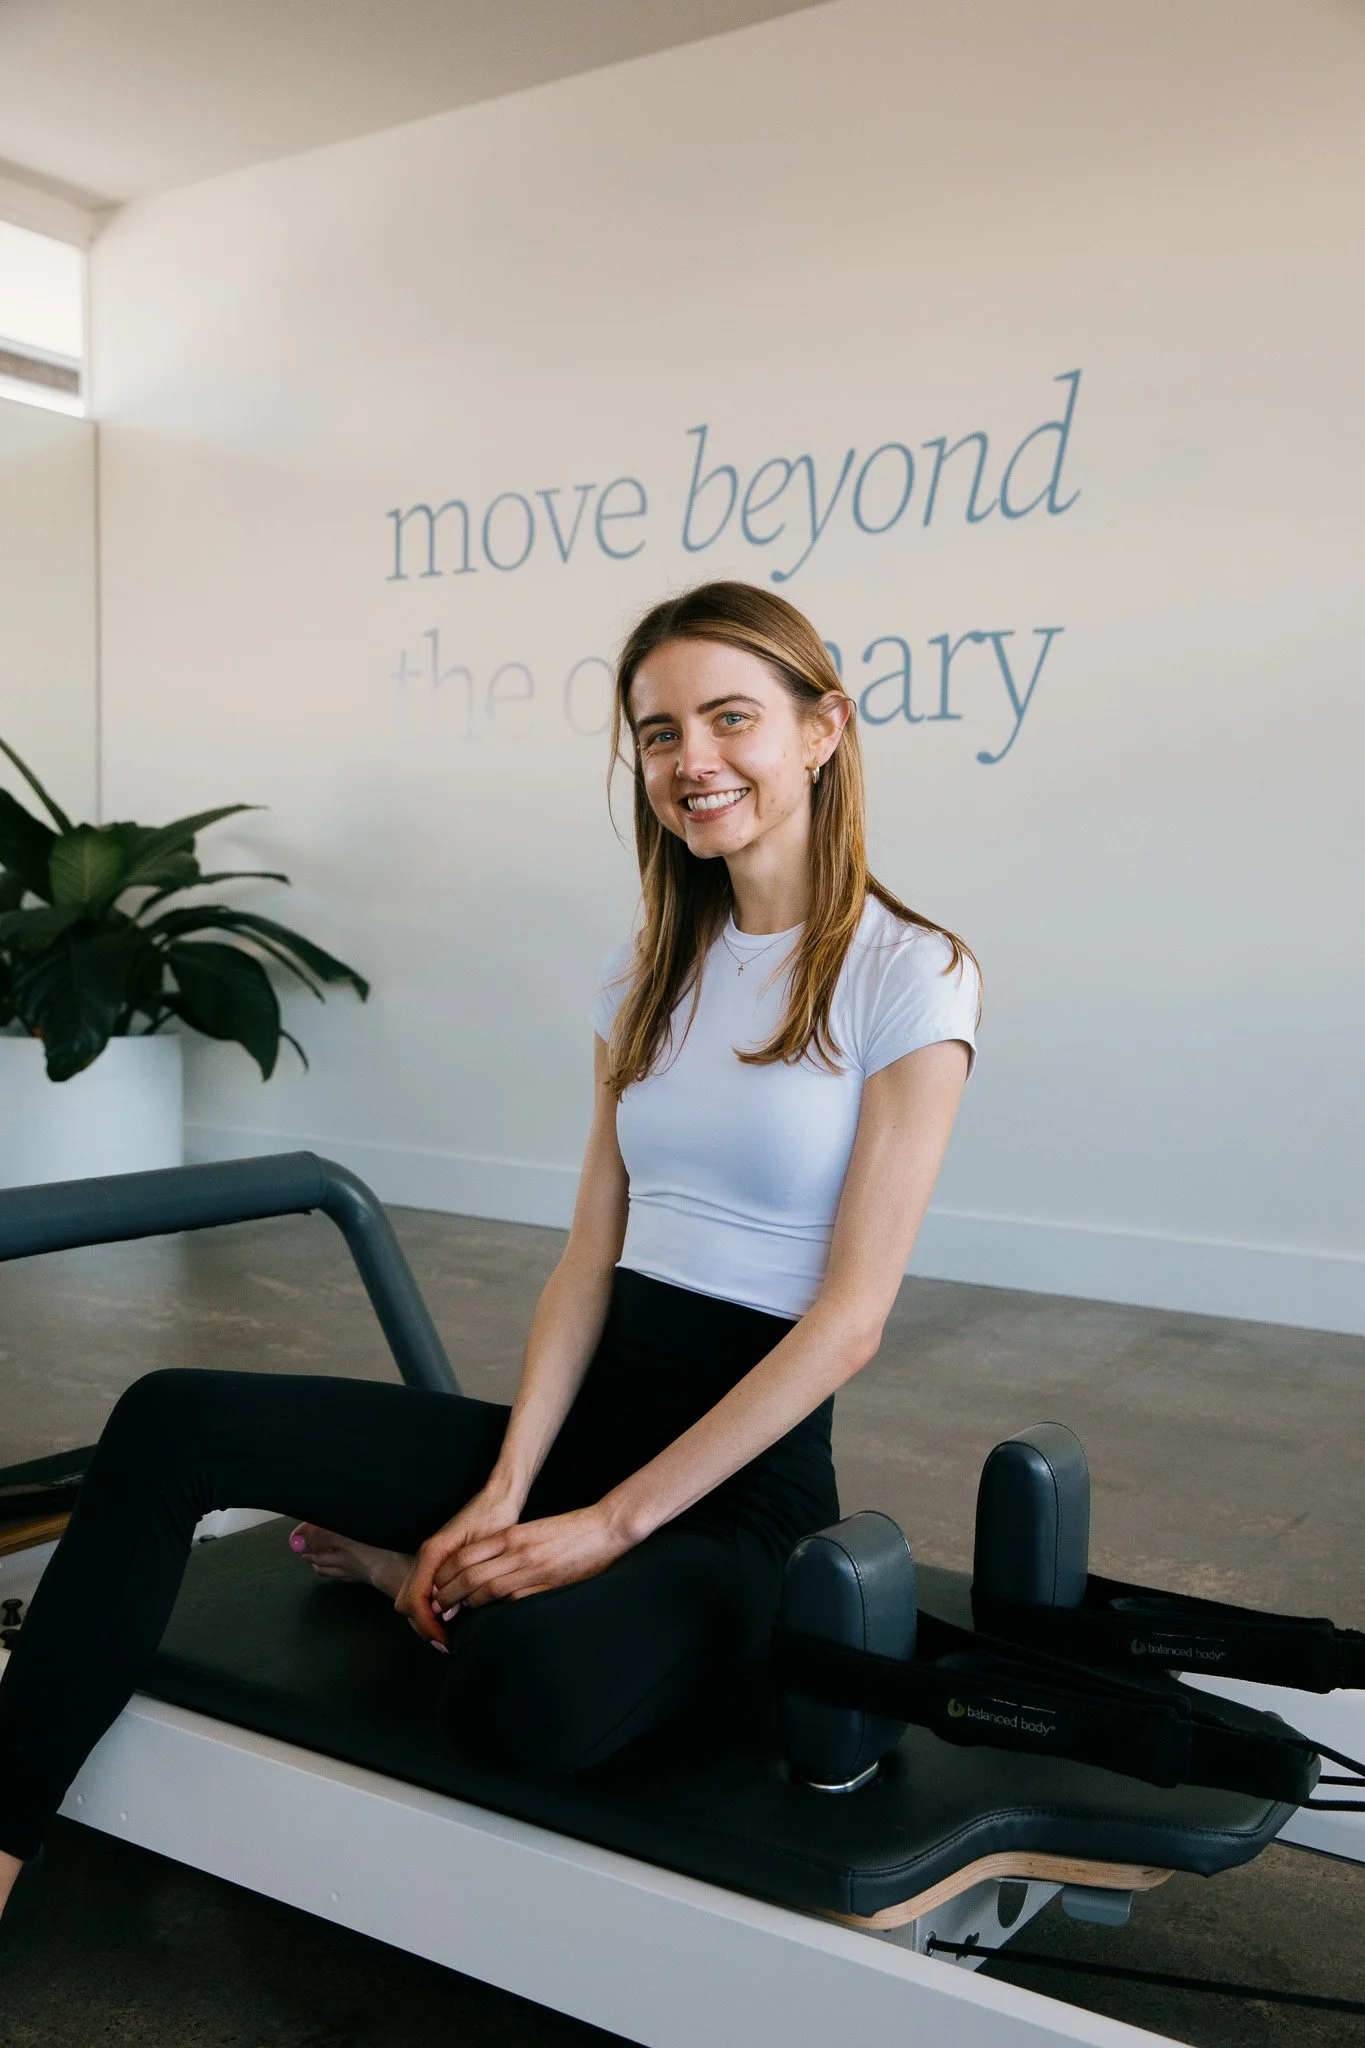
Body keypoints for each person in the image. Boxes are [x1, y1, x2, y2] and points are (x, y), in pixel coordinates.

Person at [0, 579, 979, 1916]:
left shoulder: (908, 974)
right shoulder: (645, 970)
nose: (692, 761)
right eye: (657, 732)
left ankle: (422, 1579)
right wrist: (514, 1487)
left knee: (526, 1692)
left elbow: (851, 1319)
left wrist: (604, 1530)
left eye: (730, 718)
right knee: (167, 1419)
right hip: (581, 1435)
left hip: (733, 1506)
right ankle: (5, 1835)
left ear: (823, 730)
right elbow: (591, 1257)